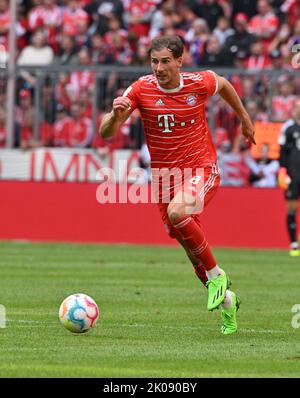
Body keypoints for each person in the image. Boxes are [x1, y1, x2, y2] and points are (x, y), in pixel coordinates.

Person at [99, 36, 255, 335]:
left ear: (179, 61)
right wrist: (116, 115)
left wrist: (245, 120)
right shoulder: (141, 89)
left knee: (177, 212)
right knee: (184, 241)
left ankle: (216, 276)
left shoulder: (198, 83)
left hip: (201, 167)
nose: (159, 68)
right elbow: (107, 132)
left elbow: (223, 84)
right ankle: (228, 303)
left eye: (166, 61)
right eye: (154, 61)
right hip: (165, 179)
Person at [278, 98, 300, 257]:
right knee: (291, 207)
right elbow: (282, 150)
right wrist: (283, 171)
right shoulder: (288, 128)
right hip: (293, 173)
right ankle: (293, 243)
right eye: (297, 107)